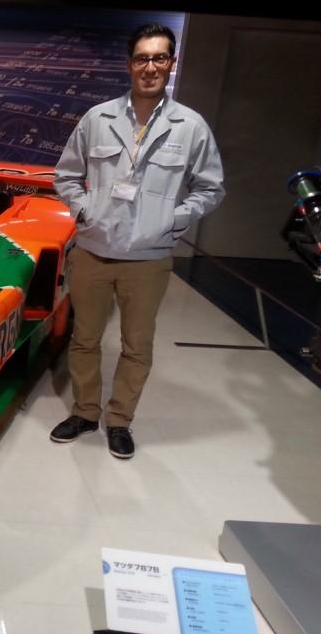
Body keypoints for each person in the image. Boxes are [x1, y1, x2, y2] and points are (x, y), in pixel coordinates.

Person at [50, 23, 225, 459]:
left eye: (159, 58)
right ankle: (85, 411)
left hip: (148, 258)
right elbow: (66, 175)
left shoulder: (190, 127)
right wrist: (83, 210)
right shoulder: (99, 118)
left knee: (136, 345)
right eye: (143, 58)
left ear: (171, 63)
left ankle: (120, 421)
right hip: (93, 250)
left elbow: (211, 188)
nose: (151, 67)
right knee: (85, 338)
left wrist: (172, 220)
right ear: (130, 65)